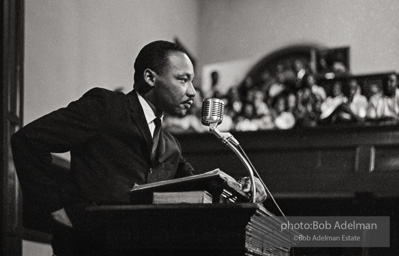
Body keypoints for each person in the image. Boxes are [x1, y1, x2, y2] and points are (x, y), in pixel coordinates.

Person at [11, 40, 267, 256]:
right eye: (183, 80)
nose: (192, 92)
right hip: (89, 246)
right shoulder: (106, 107)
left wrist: (241, 186)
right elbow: (28, 140)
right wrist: (54, 210)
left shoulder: (170, 144)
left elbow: (200, 186)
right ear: (150, 77)